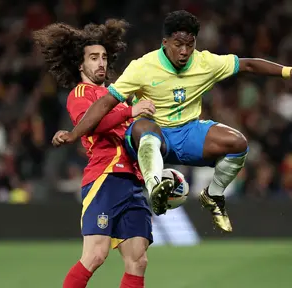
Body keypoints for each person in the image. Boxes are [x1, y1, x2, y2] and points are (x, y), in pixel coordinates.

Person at [54, 10, 292, 232]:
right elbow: (105, 103)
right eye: (178, 44)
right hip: (151, 136)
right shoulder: (143, 67)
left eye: (190, 44)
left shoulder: (205, 63)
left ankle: (214, 195)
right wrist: (75, 134)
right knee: (146, 127)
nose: (184, 51)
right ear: (165, 42)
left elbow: (248, 64)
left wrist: (287, 71)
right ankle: (155, 187)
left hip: (188, 134)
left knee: (238, 143)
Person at [34, 20, 169, 288]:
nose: (101, 64)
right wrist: (131, 110)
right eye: (94, 58)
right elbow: (91, 123)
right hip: (105, 179)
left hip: (132, 181)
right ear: (80, 65)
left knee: (138, 261)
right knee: (95, 255)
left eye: (104, 58)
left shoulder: (116, 94)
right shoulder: (80, 93)